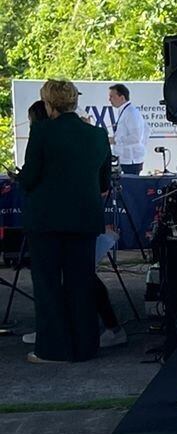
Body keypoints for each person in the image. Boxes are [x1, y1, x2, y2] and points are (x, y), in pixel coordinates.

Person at [18, 80, 112, 366]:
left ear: (49, 103)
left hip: (46, 220)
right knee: (81, 283)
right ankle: (86, 347)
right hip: (85, 218)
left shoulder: (42, 131)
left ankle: (53, 350)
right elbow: (103, 182)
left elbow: (30, 177)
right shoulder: (97, 134)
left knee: (48, 285)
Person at [106, 84, 147, 175]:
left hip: (131, 161)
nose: (109, 100)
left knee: (130, 183)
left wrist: (115, 140)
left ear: (122, 97)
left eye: (112, 97)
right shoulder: (125, 111)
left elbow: (136, 137)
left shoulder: (131, 112)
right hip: (125, 159)